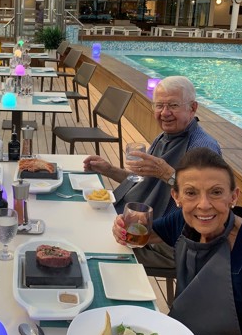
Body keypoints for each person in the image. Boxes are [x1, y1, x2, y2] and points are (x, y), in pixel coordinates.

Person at [112, 148, 242, 335]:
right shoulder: (184, 220)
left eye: (216, 192)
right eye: (191, 193)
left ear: (233, 196)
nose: (203, 205)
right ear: (176, 197)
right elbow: (143, 234)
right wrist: (122, 228)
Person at [84, 75, 221, 270]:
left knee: (93, 245)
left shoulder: (202, 148)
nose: (164, 113)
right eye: (159, 105)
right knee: (86, 223)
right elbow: (145, 183)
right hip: (140, 225)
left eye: (173, 105)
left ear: (193, 108)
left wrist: (169, 175)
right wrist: (109, 170)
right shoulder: (164, 137)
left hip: (173, 244)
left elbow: (206, 204)